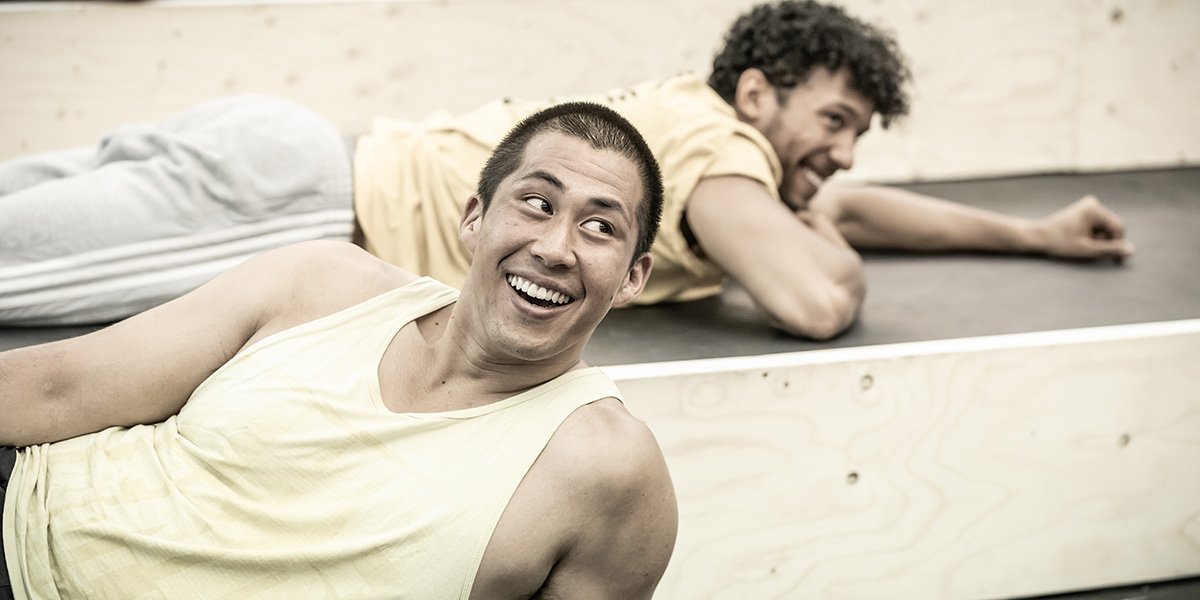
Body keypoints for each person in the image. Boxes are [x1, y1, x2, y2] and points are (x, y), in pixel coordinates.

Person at [0, 0, 1133, 338]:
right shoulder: (715, 148)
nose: (840, 151)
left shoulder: (706, 146)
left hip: (279, 162)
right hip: (279, 206)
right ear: (758, 95)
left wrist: (1029, 234)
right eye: (834, 118)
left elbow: (852, 205)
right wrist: (821, 233)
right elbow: (812, 293)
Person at [0, 102, 678, 599]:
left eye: (598, 226)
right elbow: (60, 387)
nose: (556, 247)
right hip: (21, 514)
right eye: (535, 203)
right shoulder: (326, 284)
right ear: (474, 220)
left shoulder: (610, 471)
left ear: (632, 278)